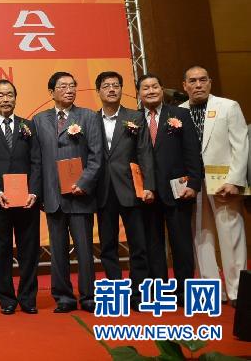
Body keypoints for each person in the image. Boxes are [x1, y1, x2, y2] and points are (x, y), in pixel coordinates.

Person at [33, 72, 103, 313]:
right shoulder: (39, 120)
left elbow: (96, 156)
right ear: (51, 92)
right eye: (62, 86)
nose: (69, 90)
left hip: (80, 194)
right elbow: (37, 161)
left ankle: (88, 297)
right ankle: (63, 297)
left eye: (72, 86)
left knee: (84, 249)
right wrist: (39, 192)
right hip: (53, 195)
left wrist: (84, 182)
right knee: (58, 250)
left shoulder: (88, 116)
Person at [179, 66, 248, 306]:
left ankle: (238, 291)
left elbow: (241, 145)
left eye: (202, 80)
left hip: (224, 183)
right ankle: (210, 294)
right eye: (193, 81)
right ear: (184, 85)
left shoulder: (228, 106)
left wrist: (235, 180)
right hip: (192, 183)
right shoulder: (178, 112)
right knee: (200, 236)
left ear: (210, 82)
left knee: (231, 235)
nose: (198, 85)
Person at [0, 80, 42, 315]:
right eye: (0, 95)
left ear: (15, 98)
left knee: (29, 250)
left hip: (27, 200)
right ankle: (6, 299)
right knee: (2, 250)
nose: (5, 99)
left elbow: (36, 162)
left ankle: (28, 298)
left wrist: (34, 191)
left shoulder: (28, 126)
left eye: (10, 95)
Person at [137, 74, 203, 305]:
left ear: (162, 89)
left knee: (181, 244)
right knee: (153, 244)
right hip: (147, 194)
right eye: (146, 88)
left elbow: (193, 152)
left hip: (178, 191)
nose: (151, 91)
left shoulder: (180, 115)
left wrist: (194, 184)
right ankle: (160, 291)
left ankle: (185, 292)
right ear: (139, 93)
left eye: (155, 86)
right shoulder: (134, 120)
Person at [94, 71, 155, 306]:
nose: (112, 89)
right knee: (107, 245)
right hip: (103, 190)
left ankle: (138, 294)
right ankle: (115, 291)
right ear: (99, 91)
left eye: (116, 85)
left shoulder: (135, 117)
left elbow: (145, 153)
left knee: (138, 244)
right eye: (106, 86)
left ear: (121, 89)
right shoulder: (90, 119)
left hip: (131, 188)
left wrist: (149, 186)